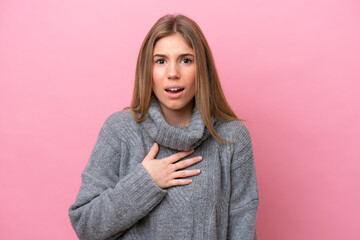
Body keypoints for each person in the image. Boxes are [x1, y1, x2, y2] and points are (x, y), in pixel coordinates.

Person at [69, 14, 259, 240]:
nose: (172, 73)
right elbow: (86, 225)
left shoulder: (232, 137)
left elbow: (242, 231)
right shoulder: (120, 130)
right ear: (147, 70)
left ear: (202, 69)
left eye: (186, 60)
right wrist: (145, 182)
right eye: (160, 61)